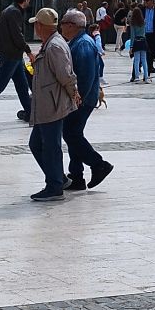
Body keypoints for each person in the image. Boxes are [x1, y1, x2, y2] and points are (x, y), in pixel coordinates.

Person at [26, 7, 80, 200]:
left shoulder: (54, 46)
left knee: (50, 146)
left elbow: (65, 74)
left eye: (36, 25)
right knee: (37, 144)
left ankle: (55, 186)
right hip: (46, 105)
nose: (34, 28)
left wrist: (74, 93)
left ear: (41, 26)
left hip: (52, 105)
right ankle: (58, 178)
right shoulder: (50, 43)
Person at [60, 10, 114, 192]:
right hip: (82, 98)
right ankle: (76, 176)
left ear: (71, 26)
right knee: (74, 134)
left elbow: (86, 75)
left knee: (70, 133)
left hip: (83, 99)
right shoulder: (78, 41)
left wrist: (78, 97)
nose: (61, 26)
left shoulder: (82, 44)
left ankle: (98, 164)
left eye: (63, 23)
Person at [128, 7, 148, 82]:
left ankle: (137, 77)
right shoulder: (143, 22)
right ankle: (146, 77)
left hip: (136, 42)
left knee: (136, 60)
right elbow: (144, 33)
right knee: (144, 60)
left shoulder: (133, 23)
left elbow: (132, 36)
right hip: (143, 41)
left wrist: (131, 47)